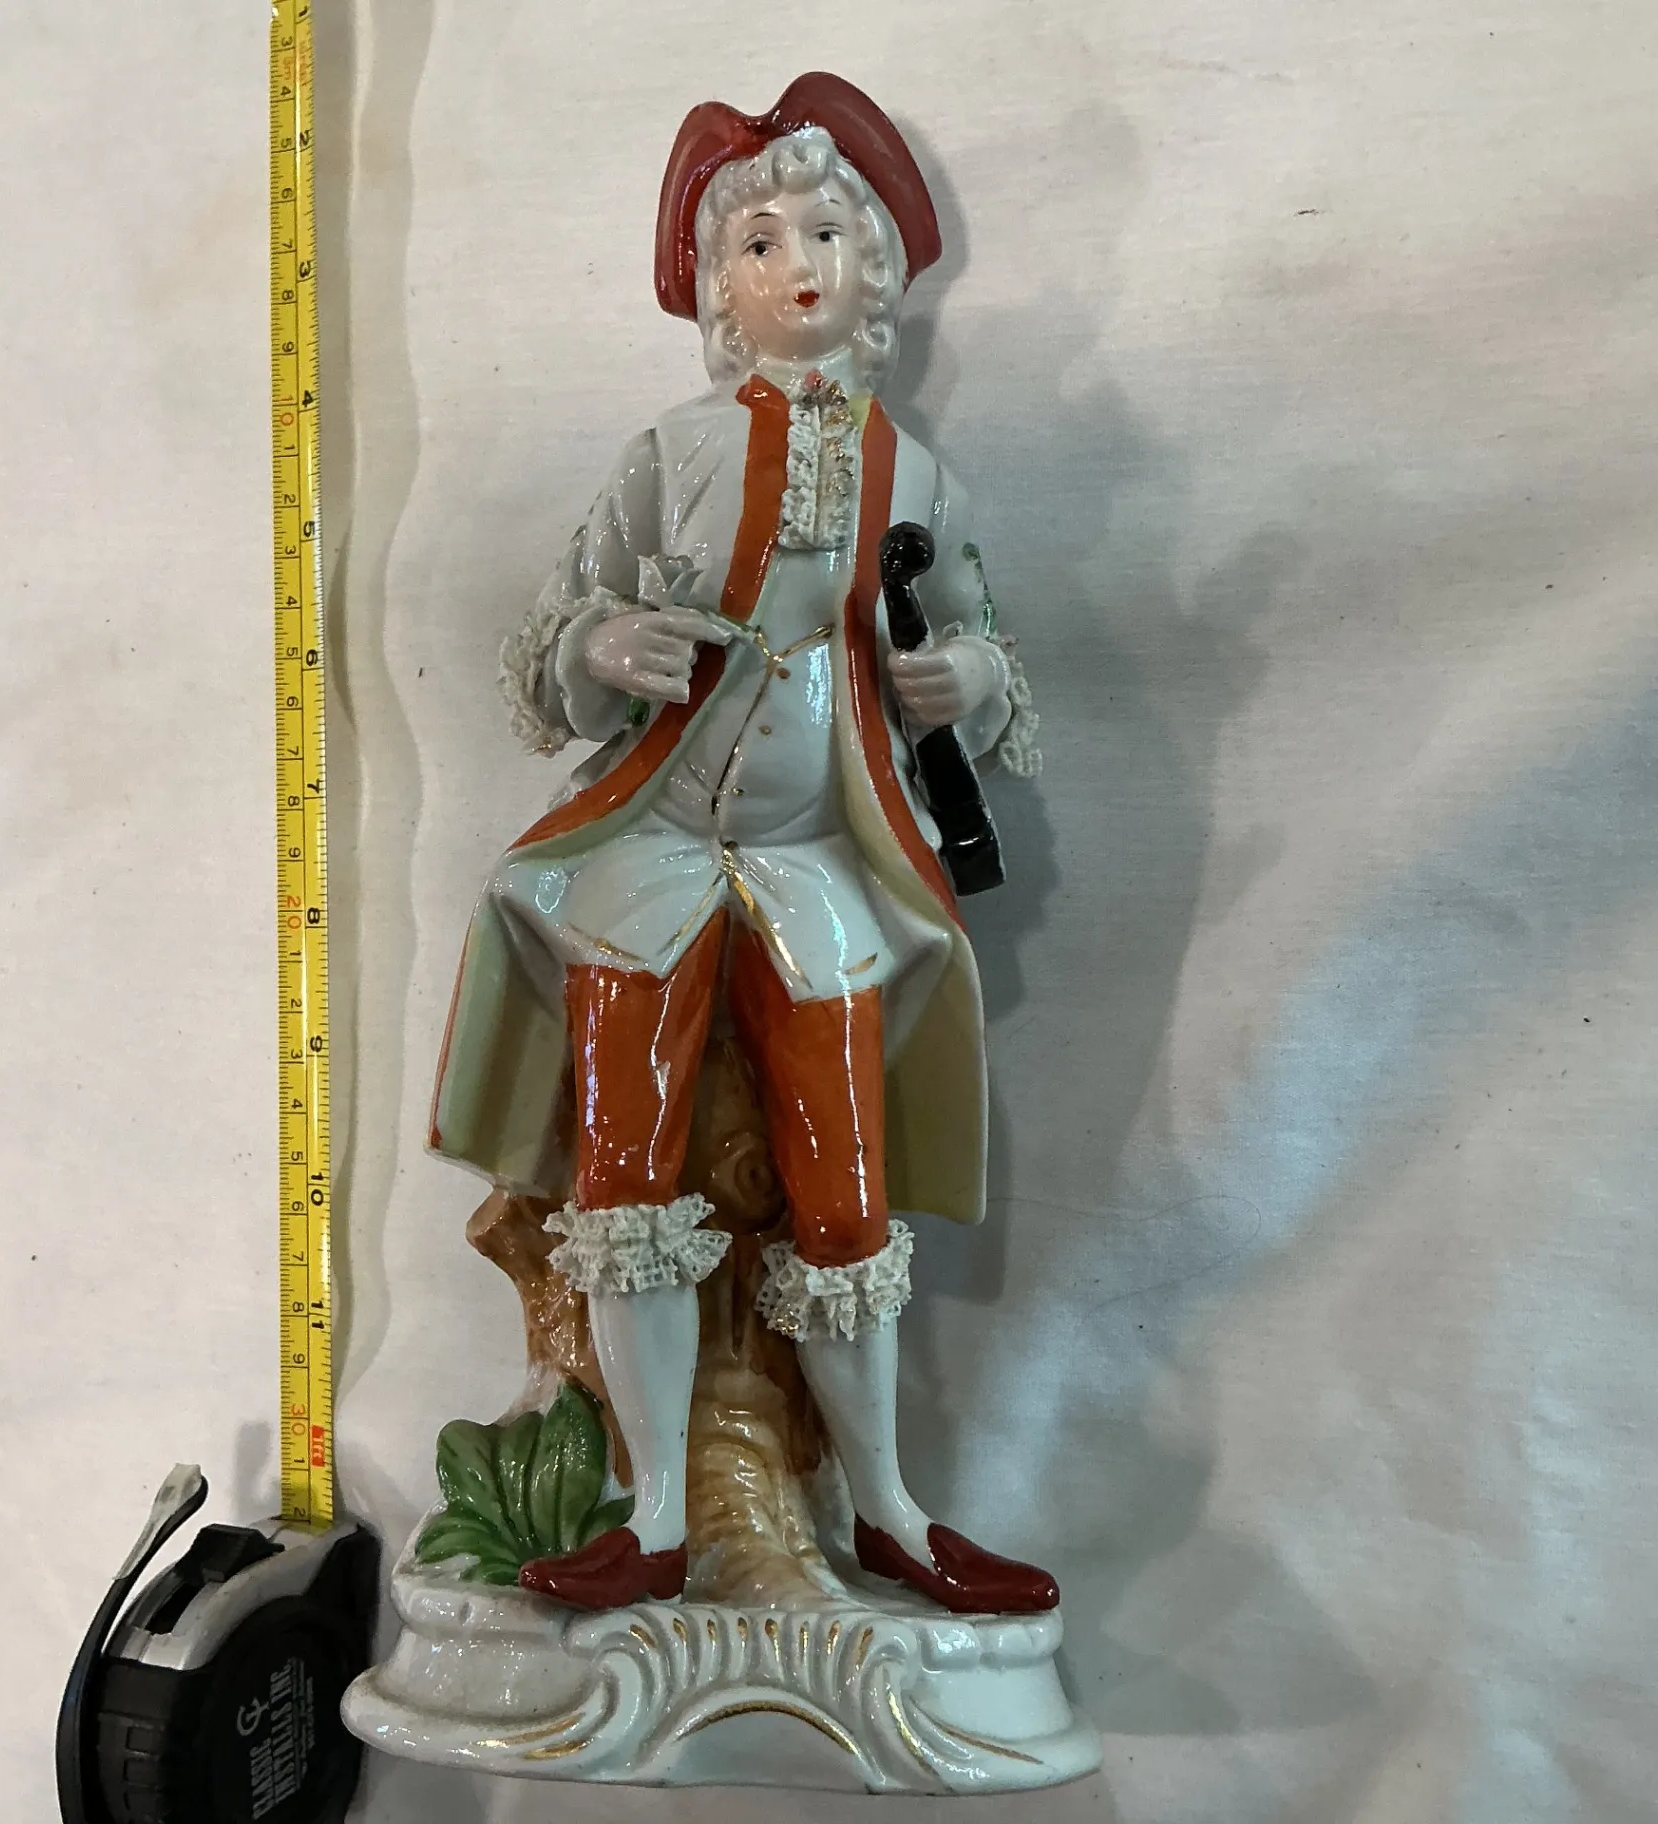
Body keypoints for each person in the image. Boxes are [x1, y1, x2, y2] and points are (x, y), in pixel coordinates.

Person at [430, 73, 1050, 1613]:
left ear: (873, 273)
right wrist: (603, 645)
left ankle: (886, 1508)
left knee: (845, 1187)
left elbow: (980, 634)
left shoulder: (918, 477)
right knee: (624, 1174)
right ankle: (653, 1509)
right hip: (649, 858)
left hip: (816, 866)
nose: (796, 265)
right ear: (722, 288)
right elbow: (552, 631)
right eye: (761, 240)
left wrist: (966, 679)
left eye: (824, 234)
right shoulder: (670, 452)